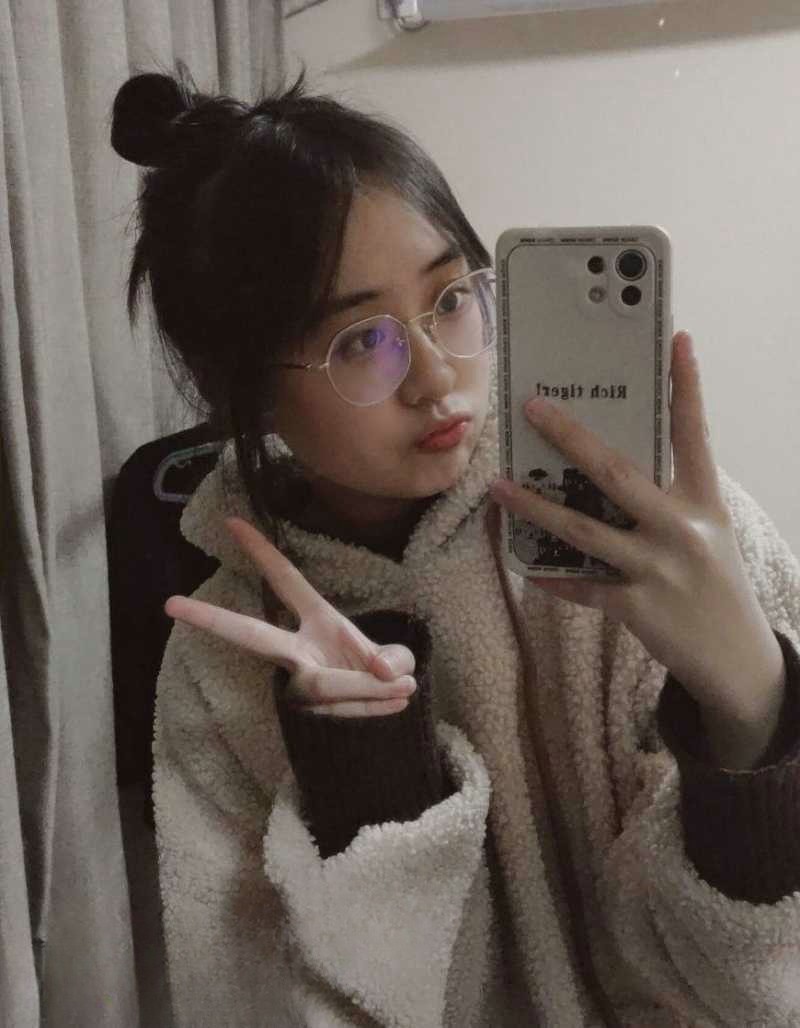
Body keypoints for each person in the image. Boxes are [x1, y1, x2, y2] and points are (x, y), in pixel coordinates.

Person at [110, 61, 800, 1028]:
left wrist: (756, 709)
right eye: (361, 341)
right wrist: (366, 773)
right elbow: (248, 997)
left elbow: (762, 991)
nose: (438, 378)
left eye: (451, 299)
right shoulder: (223, 665)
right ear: (249, 392)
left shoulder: (666, 541)